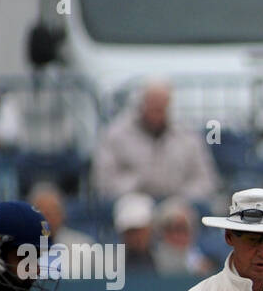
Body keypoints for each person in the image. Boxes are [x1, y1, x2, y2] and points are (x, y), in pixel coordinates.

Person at [91, 79, 220, 204]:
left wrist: (181, 197)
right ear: (142, 103)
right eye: (153, 103)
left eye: (162, 105)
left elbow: (206, 181)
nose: (157, 110)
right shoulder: (115, 135)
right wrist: (138, 183)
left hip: (178, 202)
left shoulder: (188, 136)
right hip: (131, 202)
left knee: (178, 216)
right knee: (136, 214)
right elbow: (103, 181)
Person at [153, 197, 214, 278]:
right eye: (173, 230)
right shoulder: (152, 261)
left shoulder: (201, 263)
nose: (179, 236)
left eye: (184, 229)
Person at [114, 192, 157, 274]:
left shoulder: (167, 264)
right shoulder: (109, 266)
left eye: (139, 230)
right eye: (130, 232)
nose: (136, 237)